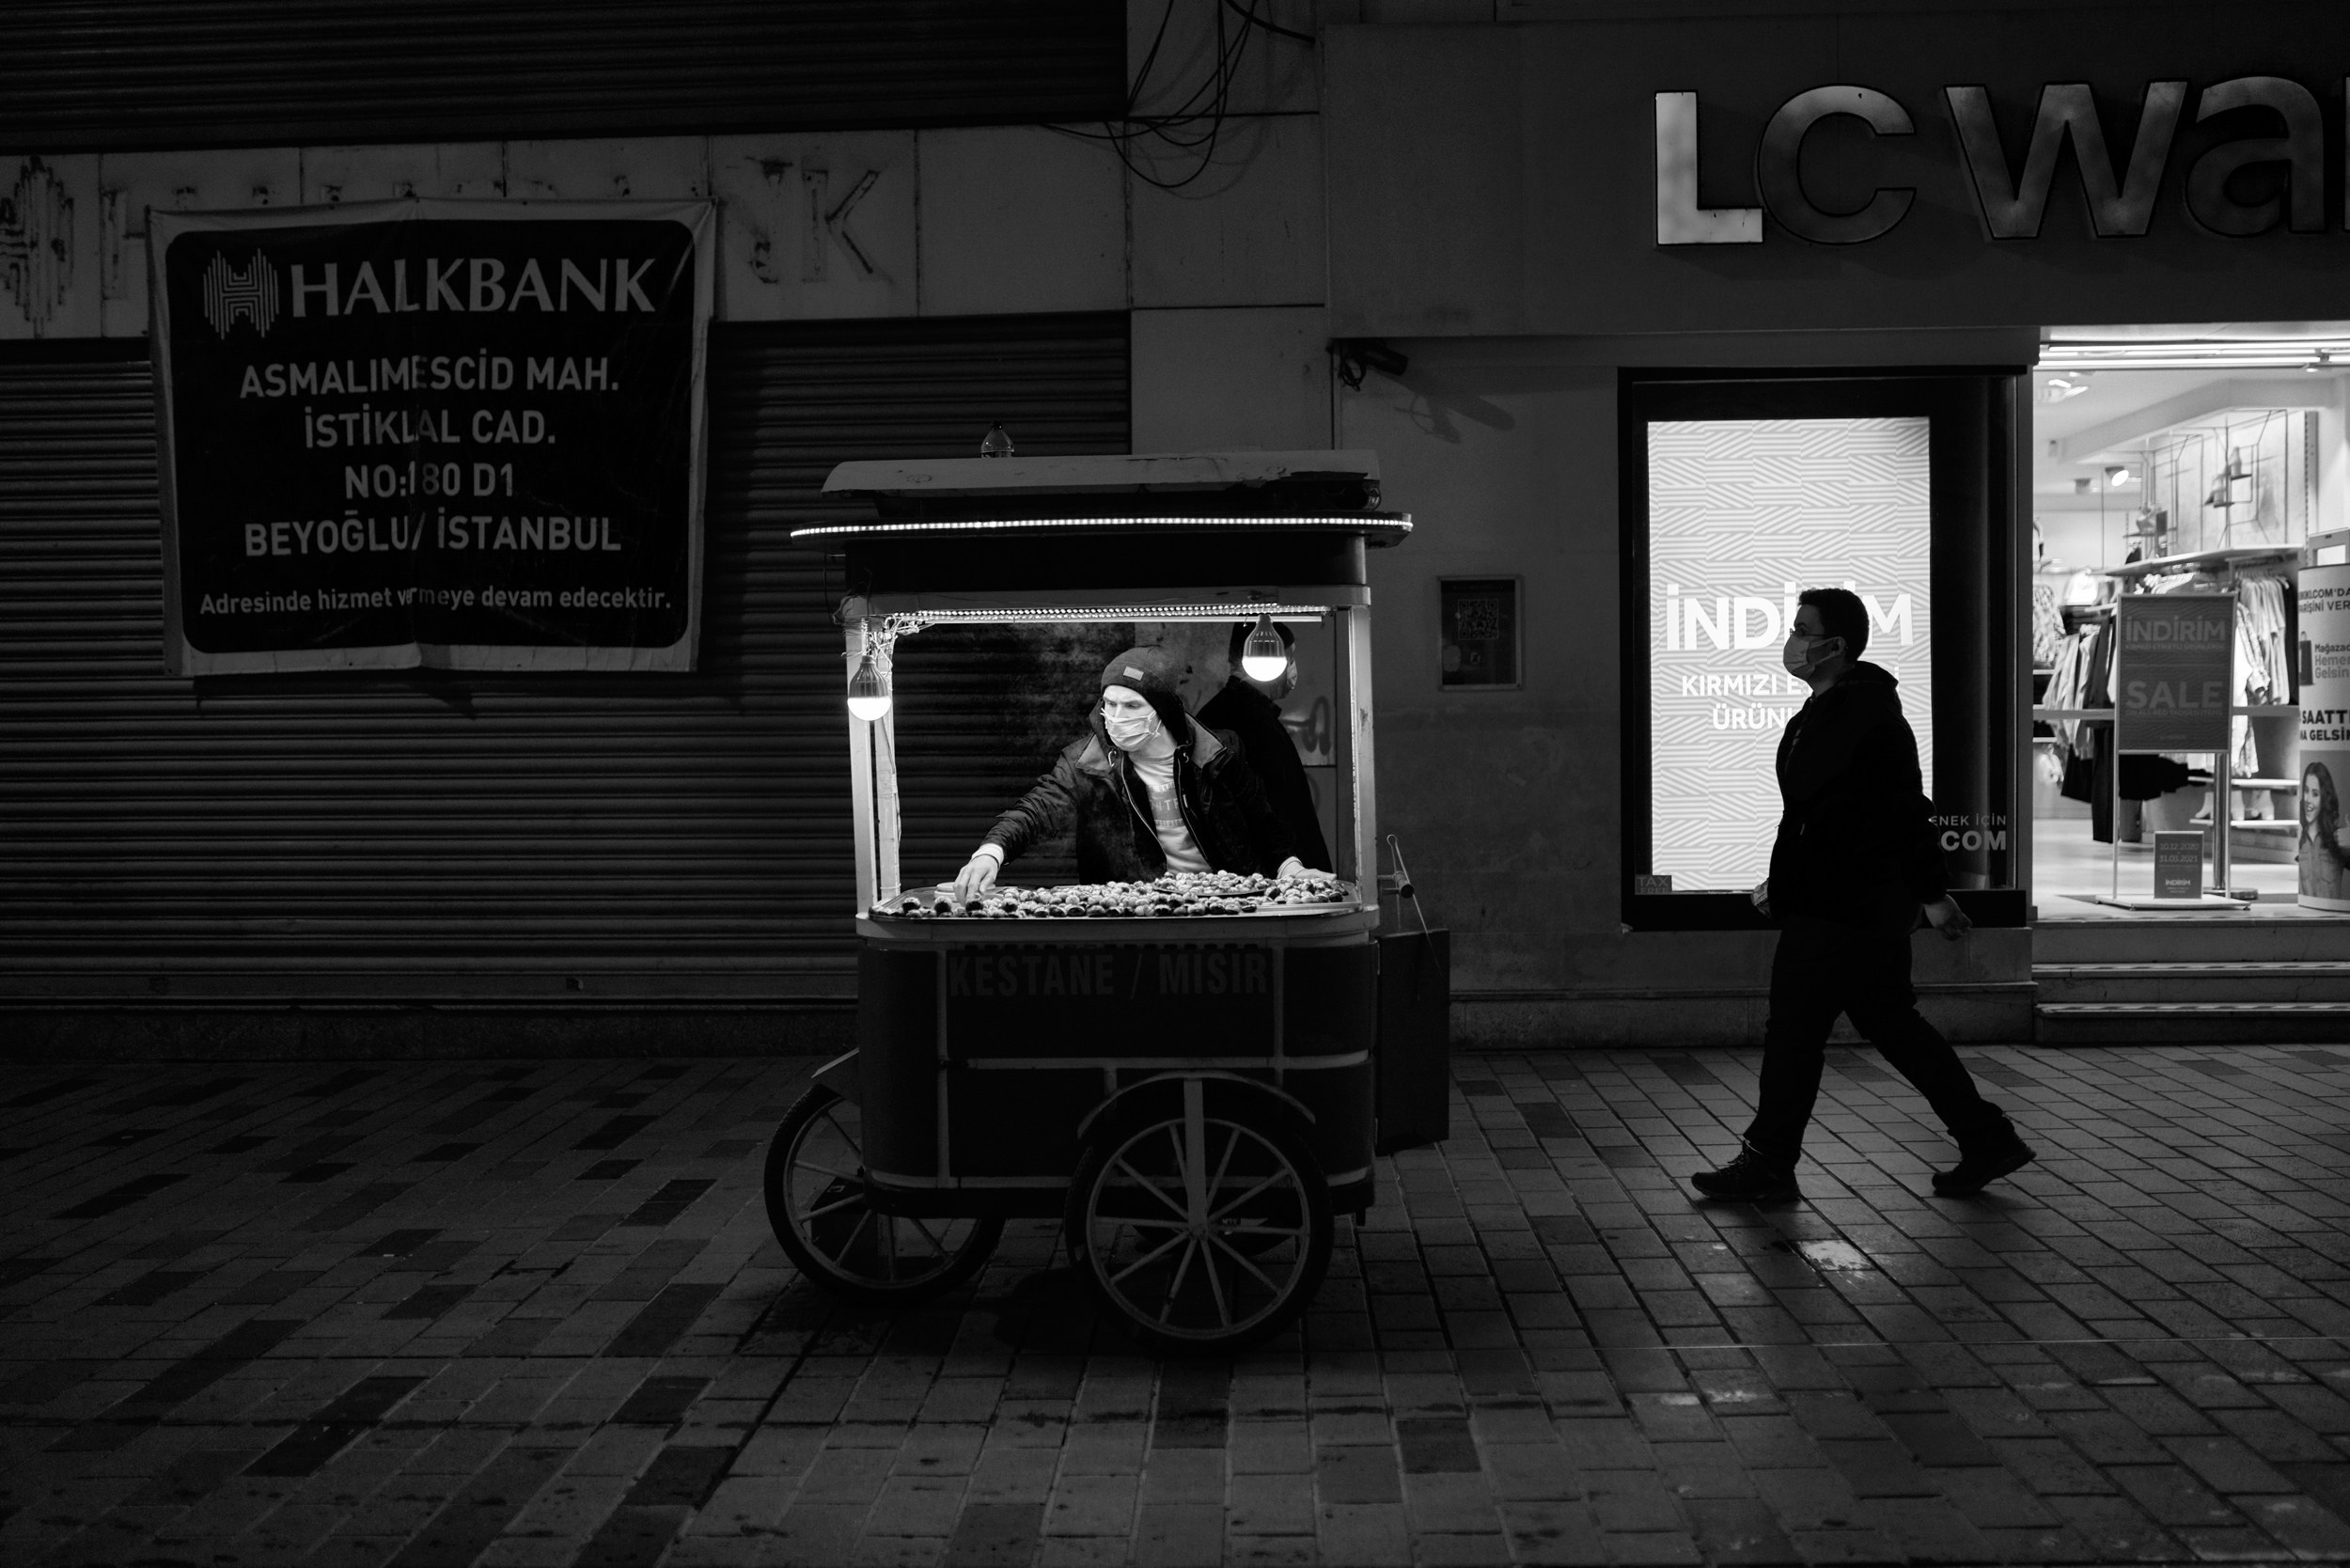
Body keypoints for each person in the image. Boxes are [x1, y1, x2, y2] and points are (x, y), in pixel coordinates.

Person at [1692, 588, 2033, 1202]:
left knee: (1795, 1032)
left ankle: (1768, 1163)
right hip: (1839, 903)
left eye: (1802, 630)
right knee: (1890, 1025)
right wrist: (1784, 883)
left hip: (1845, 909)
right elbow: (1811, 817)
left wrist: (1933, 895)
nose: (1792, 641)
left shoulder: (1869, 715)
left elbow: (1904, 811)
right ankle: (1986, 1138)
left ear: (1835, 646)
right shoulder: (1822, 712)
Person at [952, 644, 1331, 901]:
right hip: (1136, 913)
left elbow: (1264, 824)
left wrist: (1291, 869)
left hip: (1226, 902)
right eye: (1110, 704)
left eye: (1132, 706)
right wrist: (991, 853)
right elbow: (1035, 810)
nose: (1116, 717)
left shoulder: (1219, 753)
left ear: (1162, 711)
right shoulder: (1087, 763)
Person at [1197, 620, 1333, 871]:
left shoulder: (1227, 713)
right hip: (1271, 876)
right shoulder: (1253, 722)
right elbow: (1276, 810)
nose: (1293, 669)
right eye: (1289, 659)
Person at [2304, 761, 2348, 902]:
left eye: (2315, 794)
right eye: (2306, 791)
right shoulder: (2300, 839)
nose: (2308, 799)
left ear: (2324, 797)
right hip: (2305, 913)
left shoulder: (2335, 838)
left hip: (2332, 914)